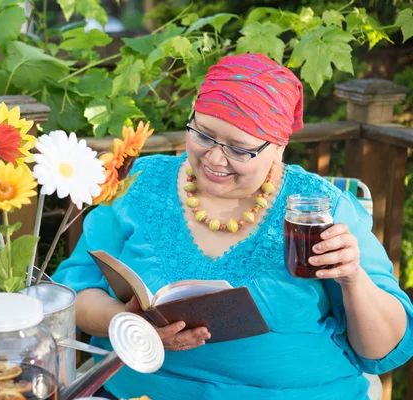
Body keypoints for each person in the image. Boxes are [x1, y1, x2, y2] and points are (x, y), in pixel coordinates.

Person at [52, 54, 413, 400]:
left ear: (279, 148)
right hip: (138, 391)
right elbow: (72, 296)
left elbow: (381, 348)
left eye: (239, 149)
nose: (213, 158)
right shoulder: (139, 186)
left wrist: (353, 280)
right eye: (204, 134)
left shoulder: (321, 210)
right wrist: (126, 320)